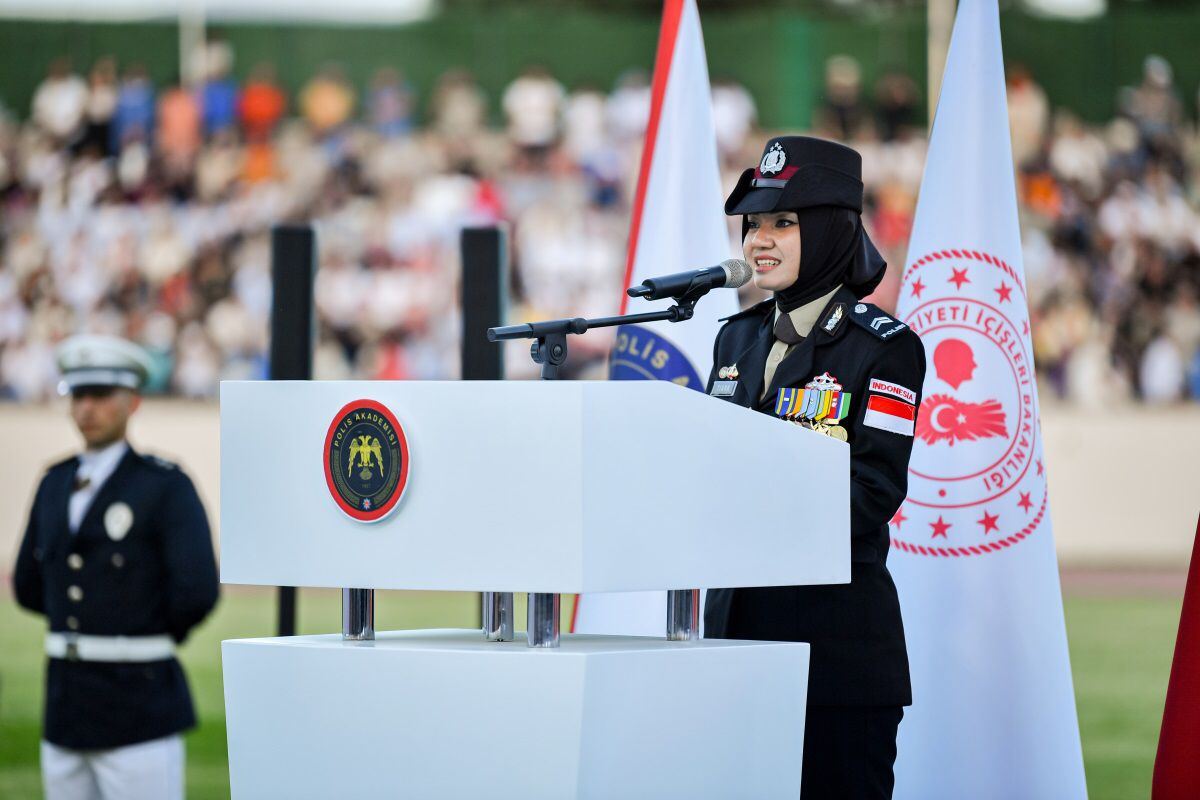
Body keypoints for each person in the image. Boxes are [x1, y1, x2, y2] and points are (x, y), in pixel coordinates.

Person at [703, 136, 926, 799]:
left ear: (831, 230)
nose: (758, 242)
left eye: (783, 223)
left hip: (834, 665)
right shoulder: (734, 337)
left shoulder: (883, 349)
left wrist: (745, 505)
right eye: (753, 224)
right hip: (734, 651)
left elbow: (872, 494)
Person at [12, 334, 220, 800]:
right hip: (65, 706)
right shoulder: (54, 482)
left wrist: (134, 631)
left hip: (139, 706)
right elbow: (28, 584)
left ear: (132, 402)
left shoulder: (164, 486)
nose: (87, 408)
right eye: (78, 395)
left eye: (101, 396)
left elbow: (197, 589)